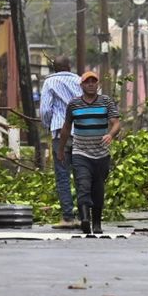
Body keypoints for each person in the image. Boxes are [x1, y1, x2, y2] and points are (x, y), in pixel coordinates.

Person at [57, 71, 121, 235]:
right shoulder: (74, 104)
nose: (91, 84)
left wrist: (110, 135)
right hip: (80, 153)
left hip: (101, 154)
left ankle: (97, 223)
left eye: (93, 81)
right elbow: (66, 127)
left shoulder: (106, 102)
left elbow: (116, 124)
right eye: (87, 82)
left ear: (97, 84)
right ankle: (85, 219)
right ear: (82, 85)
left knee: (98, 189)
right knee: (83, 185)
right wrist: (61, 149)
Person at [38, 55, 82, 228]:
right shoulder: (80, 81)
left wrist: (49, 124)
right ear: (69, 67)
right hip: (81, 134)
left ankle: (68, 217)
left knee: (63, 175)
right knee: (81, 175)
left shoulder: (49, 83)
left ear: (54, 68)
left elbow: (45, 110)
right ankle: (84, 215)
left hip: (60, 135)